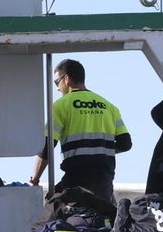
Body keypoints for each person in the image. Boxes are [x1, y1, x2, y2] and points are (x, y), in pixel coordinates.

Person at [27, 58, 133, 201]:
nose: (57, 88)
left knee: (51, 211)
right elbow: (125, 143)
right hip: (104, 181)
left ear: (67, 79)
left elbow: (47, 147)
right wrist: (99, 148)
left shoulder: (60, 106)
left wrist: (35, 177)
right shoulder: (109, 106)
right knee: (101, 218)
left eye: (57, 82)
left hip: (76, 180)